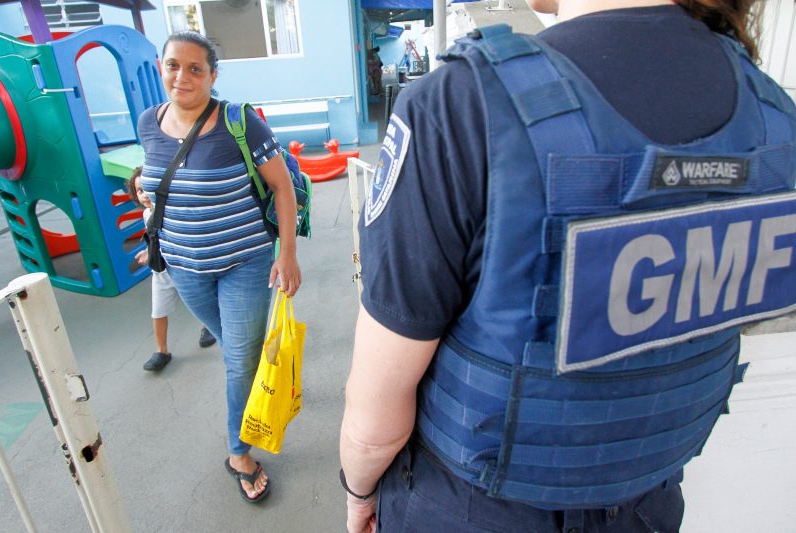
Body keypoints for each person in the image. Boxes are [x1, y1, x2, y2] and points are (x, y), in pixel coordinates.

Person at [340, 0, 796, 532]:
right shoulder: (772, 114)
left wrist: (358, 492)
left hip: (471, 510)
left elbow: (377, 415)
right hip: (649, 508)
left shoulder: (462, 104)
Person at [137, 31, 301, 504]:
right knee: (241, 351)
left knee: (237, 360)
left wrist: (286, 253)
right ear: (160, 66)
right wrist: (153, 231)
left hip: (244, 263)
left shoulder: (238, 123)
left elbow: (283, 188)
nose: (181, 76)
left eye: (194, 68)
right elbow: (154, 186)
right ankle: (273, 378)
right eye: (172, 65)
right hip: (184, 267)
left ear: (212, 75)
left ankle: (239, 453)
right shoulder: (149, 122)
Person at [124, 167, 216, 372]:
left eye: (148, 189)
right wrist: (148, 252)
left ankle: (206, 327)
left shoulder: (169, 210)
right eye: (139, 191)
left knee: (197, 302)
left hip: (182, 267)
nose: (144, 195)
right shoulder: (147, 214)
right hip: (161, 272)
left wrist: (151, 252)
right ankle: (161, 351)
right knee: (158, 311)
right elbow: (154, 239)